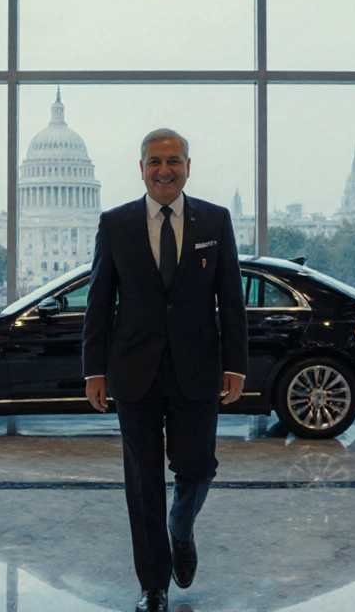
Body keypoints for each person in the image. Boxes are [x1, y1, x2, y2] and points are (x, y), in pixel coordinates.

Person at [83, 128, 249, 612]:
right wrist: (94, 370)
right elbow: (99, 301)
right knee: (143, 481)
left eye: (173, 160)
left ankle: (181, 527)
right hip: (133, 371)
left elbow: (231, 300)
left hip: (198, 368)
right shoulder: (115, 223)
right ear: (141, 169)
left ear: (188, 166)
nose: (164, 170)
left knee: (198, 468)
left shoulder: (214, 221)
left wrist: (236, 364)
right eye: (154, 161)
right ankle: (153, 583)